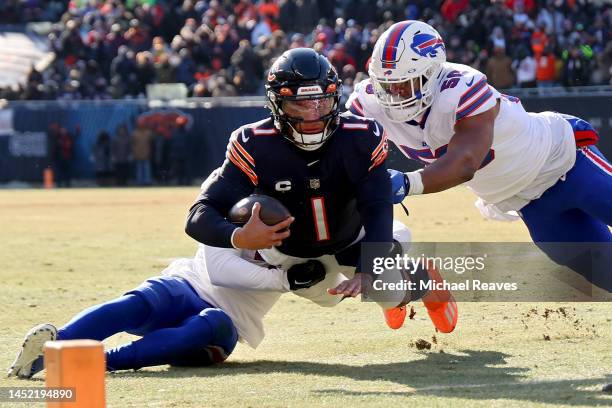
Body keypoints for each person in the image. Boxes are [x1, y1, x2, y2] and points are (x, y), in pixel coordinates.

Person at [185, 48, 457, 333]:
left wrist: (368, 270)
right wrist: (238, 236)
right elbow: (198, 214)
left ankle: (419, 277)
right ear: (277, 103)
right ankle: (394, 251)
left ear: (335, 98)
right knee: (327, 299)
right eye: (298, 105)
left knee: (385, 292)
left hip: (353, 237)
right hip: (295, 253)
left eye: (321, 102)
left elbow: (376, 204)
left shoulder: (361, 136)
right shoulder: (253, 144)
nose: (312, 114)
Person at [347, 20, 611, 291]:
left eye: (406, 83)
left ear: (433, 73)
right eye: (387, 85)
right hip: (527, 202)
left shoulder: (460, 87)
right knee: (606, 271)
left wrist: (406, 182)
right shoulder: (368, 102)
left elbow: (465, 162)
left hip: (565, 162)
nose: (394, 94)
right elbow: (340, 144)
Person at [8, 205, 414, 378]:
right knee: (139, 302)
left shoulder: (313, 239)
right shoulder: (234, 220)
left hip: (228, 324)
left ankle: (95, 364)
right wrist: (283, 280)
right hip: (190, 282)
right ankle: (49, 351)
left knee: (209, 322)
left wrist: (373, 256)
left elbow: (394, 234)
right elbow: (220, 269)